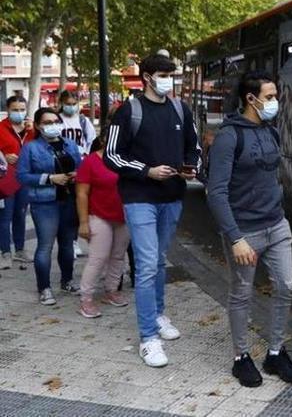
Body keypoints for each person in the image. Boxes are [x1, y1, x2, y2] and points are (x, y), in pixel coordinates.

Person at [104, 53, 201, 368]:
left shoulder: (179, 108)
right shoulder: (128, 112)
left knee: (158, 261)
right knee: (146, 265)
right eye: (162, 74)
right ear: (146, 76)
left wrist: (191, 167)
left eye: (171, 74)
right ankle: (148, 338)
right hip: (139, 197)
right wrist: (147, 170)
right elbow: (111, 156)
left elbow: (194, 145)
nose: (167, 80)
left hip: (172, 196)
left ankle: (158, 315)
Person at [206, 71, 292, 388]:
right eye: (270, 96)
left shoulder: (270, 132)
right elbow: (216, 192)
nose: (275, 102)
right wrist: (235, 239)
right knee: (241, 294)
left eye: (275, 96)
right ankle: (241, 357)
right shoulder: (229, 137)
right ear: (251, 99)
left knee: (287, 284)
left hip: (276, 225)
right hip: (244, 232)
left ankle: (275, 352)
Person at [17, 108, 82, 305]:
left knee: (67, 244)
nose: (52, 125)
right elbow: (21, 175)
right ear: (37, 125)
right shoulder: (31, 148)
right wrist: (49, 178)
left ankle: (67, 280)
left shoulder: (70, 144)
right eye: (47, 122)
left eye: (55, 121)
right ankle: (44, 288)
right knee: (45, 246)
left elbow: (80, 167)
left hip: (69, 200)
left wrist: (76, 175)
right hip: (45, 203)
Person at [76, 136, 130, 318]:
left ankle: (111, 290)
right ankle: (86, 298)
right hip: (98, 215)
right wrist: (83, 222)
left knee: (118, 256)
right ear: (104, 140)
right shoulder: (91, 161)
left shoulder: (128, 159)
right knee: (98, 258)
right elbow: (82, 193)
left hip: (124, 216)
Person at [59, 89, 97, 259]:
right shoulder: (57, 121)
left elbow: (91, 141)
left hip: (82, 165)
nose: (71, 107)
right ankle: (70, 242)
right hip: (63, 166)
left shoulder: (83, 121)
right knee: (68, 206)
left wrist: (87, 159)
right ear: (61, 103)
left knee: (82, 202)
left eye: (74, 104)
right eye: (68, 104)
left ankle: (80, 240)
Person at [0, 96, 35, 269]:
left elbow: (39, 148)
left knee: (20, 214)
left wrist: (33, 129)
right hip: (5, 179)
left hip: (24, 178)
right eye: (15, 109)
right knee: (5, 216)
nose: (19, 113)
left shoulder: (30, 130)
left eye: (22, 109)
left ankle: (20, 250)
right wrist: (4, 156)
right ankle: (5, 252)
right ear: (8, 109)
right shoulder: (1, 128)